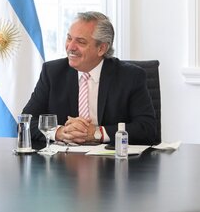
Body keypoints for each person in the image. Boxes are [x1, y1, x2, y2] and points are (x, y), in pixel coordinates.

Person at [22, 11, 156, 146]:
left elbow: (147, 128)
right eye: (69, 38)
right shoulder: (52, 72)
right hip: (64, 161)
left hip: (111, 162)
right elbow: (26, 121)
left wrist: (98, 133)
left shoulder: (130, 76)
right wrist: (60, 132)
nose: (71, 47)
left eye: (80, 41)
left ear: (102, 48)